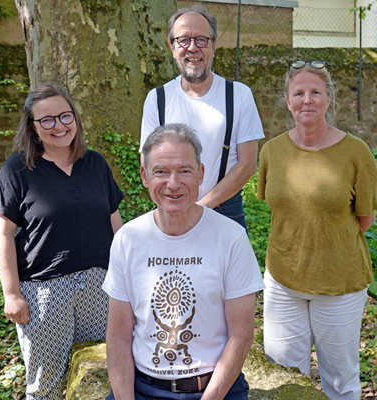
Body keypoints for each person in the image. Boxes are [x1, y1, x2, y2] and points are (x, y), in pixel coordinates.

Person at [103, 123, 264, 400]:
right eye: (161, 172)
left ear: (201, 174)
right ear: (144, 176)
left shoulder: (231, 238)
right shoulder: (129, 239)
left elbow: (241, 335)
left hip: (216, 390)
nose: (173, 183)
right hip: (144, 389)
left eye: (184, 171)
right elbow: (118, 336)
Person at [0, 84, 124, 399]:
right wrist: (12, 294)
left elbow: (115, 222)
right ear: (33, 128)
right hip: (44, 293)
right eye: (47, 120)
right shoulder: (16, 172)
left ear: (75, 118)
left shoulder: (95, 164)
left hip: (100, 286)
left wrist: (127, 276)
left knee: (100, 375)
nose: (59, 125)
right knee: (45, 384)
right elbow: (3, 236)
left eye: (65, 116)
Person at [257, 60, 377, 400]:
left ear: (328, 99)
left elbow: (364, 218)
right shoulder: (272, 151)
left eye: (315, 92)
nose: (306, 100)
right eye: (299, 93)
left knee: (340, 381)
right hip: (283, 280)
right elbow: (281, 208)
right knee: (284, 377)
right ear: (287, 100)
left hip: (339, 282)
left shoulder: (356, 153)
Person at [140, 6, 264, 229]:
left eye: (201, 40)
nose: (192, 48)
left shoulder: (238, 95)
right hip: (172, 208)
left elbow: (247, 164)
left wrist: (202, 208)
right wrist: (176, 205)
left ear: (214, 46)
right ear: (172, 47)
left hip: (225, 210)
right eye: (183, 40)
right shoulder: (157, 98)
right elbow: (148, 163)